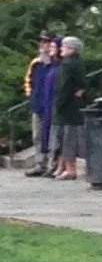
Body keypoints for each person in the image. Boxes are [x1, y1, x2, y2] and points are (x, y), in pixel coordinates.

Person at [50, 37, 86, 181]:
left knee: (67, 139)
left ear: (71, 49)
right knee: (67, 138)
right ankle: (64, 167)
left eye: (64, 46)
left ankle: (70, 169)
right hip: (75, 105)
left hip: (67, 107)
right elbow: (82, 85)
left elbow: (63, 87)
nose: (61, 49)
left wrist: (58, 104)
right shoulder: (78, 63)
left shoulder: (68, 65)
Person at [23, 34, 58, 175]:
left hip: (51, 105)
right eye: (42, 43)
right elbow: (28, 80)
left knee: (51, 136)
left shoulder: (55, 64)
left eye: (47, 43)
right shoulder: (36, 63)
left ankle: (52, 164)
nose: (43, 46)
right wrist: (30, 95)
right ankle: (40, 164)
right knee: (37, 136)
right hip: (37, 105)